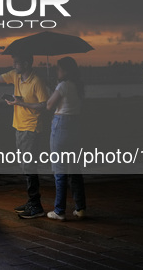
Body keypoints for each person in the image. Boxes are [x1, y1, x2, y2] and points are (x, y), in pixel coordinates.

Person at [0, 53, 49, 219]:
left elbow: (44, 105)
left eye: (17, 62)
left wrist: (19, 102)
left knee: (30, 167)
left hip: (31, 128)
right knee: (25, 166)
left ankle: (36, 205)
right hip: (19, 126)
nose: (14, 64)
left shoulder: (37, 81)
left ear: (26, 63)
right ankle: (32, 201)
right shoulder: (15, 76)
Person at [45, 56, 86, 221]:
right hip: (75, 126)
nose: (57, 71)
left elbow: (49, 106)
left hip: (61, 125)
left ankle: (59, 210)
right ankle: (80, 208)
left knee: (59, 170)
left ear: (66, 70)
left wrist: (53, 90)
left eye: (59, 68)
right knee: (75, 170)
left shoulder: (63, 85)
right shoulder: (78, 85)